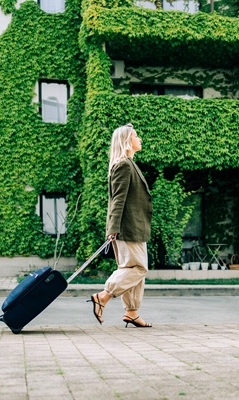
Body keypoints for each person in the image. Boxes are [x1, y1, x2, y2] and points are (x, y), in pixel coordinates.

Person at [88, 123, 153, 328]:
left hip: (136, 227)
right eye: (136, 136)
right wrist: (113, 228)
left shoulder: (129, 164)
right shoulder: (123, 165)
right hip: (127, 228)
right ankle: (104, 296)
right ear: (127, 142)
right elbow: (117, 200)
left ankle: (132, 312)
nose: (139, 139)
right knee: (138, 268)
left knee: (133, 268)